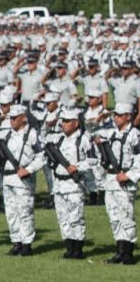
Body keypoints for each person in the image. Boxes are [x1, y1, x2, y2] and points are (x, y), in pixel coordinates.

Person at [43, 109, 95, 259]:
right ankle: (69, 249)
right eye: (62, 121)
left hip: (73, 185)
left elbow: (93, 160)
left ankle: (78, 250)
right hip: (59, 184)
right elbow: (41, 138)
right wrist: (47, 126)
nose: (63, 124)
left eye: (66, 121)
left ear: (76, 123)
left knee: (75, 218)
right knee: (63, 218)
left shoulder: (83, 139)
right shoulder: (58, 138)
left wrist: (77, 167)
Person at [0, 104, 46, 256]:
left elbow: (41, 156)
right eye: (10, 118)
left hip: (23, 178)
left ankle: (27, 244)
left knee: (24, 211)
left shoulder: (32, 134)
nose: (11, 121)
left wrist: (29, 169)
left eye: (14, 118)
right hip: (8, 177)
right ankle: (16, 242)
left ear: (23, 118)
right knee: (11, 212)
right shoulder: (7, 135)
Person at [94, 103, 140, 264]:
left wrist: (129, 175)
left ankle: (128, 253)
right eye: (115, 115)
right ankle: (119, 251)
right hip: (111, 180)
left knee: (126, 216)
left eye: (119, 115)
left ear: (128, 116)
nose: (116, 118)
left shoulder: (135, 135)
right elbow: (91, 130)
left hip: (125, 180)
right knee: (114, 216)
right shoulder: (111, 133)